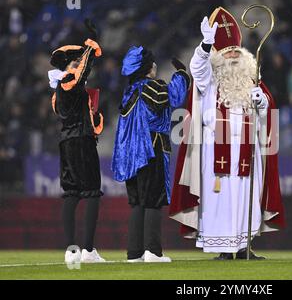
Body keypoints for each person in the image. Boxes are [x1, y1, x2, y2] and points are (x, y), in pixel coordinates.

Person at [169, 7, 285, 260]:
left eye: (236, 51)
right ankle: (223, 249)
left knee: (246, 195)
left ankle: (244, 247)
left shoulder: (252, 80)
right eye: (226, 51)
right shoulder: (209, 78)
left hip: (247, 149)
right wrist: (206, 44)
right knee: (218, 198)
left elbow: (267, 115)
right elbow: (197, 67)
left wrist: (262, 101)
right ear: (217, 57)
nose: (232, 54)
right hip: (215, 147)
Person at [112, 46, 189, 262]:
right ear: (147, 68)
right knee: (153, 201)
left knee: (137, 203)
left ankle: (134, 253)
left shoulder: (129, 92)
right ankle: (153, 252)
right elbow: (175, 95)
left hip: (130, 154)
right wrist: (182, 74)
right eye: (152, 63)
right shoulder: (151, 88)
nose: (155, 66)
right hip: (151, 149)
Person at [49, 20, 105, 264]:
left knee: (71, 193)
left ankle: (71, 250)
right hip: (81, 141)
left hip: (67, 142)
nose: (78, 65)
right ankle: (88, 250)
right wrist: (91, 45)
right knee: (91, 193)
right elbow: (83, 69)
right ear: (68, 65)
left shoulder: (57, 94)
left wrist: (95, 117)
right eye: (74, 62)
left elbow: (83, 118)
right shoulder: (69, 81)